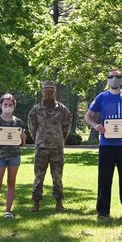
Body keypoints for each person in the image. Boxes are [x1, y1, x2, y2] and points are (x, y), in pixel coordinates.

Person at [84, 68, 122, 218]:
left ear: (121, 79)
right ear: (107, 79)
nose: (114, 79)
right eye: (111, 76)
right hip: (106, 145)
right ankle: (103, 211)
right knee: (104, 178)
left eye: (117, 77)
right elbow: (88, 116)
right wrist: (96, 126)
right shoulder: (101, 97)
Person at [28, 81, 72, 212]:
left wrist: (59, 139)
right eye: (46, 88)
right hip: (41, 147)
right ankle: (36, 204)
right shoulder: (35, 110)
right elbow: (32, 128)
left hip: (57, 148)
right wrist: (39, 139)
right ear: (42, 91)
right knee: (38, 176)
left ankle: (59, 203)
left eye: (51, 88)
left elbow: (66, 127)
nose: (48, 90)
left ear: (55, 91)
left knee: (57, 176)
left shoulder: (63, 109)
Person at [0, 94, 27, 218]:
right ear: (1, 106)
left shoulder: (18, 122)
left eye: (10, 105)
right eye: (5, 105)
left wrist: (24, 139)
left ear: (14, 106)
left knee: (11, 182)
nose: (8, 107)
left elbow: (22, 145)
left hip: (14, 156)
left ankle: (8, 211)